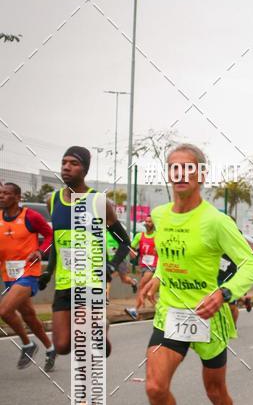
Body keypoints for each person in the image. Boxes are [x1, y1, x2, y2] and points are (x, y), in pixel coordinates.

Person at [138, 143, 253, 405]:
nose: (180, 173)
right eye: (174, 167)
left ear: (201, 175)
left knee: (215, 391)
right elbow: (170, 255)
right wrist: (158, 275)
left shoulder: (216, 221)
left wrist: (224, 293)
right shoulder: (161, 216)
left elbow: (251, 266)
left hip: (208, 317)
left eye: (188, 167)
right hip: (171, 314)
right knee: (154, 387)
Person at [40, 146, 130, 357]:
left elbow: (124, 242)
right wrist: (48, 271)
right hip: (64, 282)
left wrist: (112, 265)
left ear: (85, 170)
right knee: (62, 346)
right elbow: (57, 241)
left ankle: (99, 327)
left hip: (91, 281)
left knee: (86, 334)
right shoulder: (52, 201)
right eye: (64, 163)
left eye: (74, 163)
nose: (66, 167)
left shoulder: (99, 202)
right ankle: (98, 325)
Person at [0, 182, 55, 370]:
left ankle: (27, 344)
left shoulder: (30, 216)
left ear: (17, 197)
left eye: (6, 193)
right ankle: (50, 347)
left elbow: (50, 235)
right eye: (1, 193)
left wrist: (40, 252)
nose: (2, 196)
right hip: (8, 275)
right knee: (29, 316)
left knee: (5, 311)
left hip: (28, 273)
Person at [126, 215, 157, 320]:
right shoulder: (140, 235)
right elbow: (132, 247)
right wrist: (132, 253)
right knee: (150, 294)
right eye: (146, 221)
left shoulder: (157, 236)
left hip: (153, 266)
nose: (147, 223)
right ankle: (158, 308)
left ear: (153, 224)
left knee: (141, 286)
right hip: (143, 266)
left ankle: (135, 309)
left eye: (150, 222)